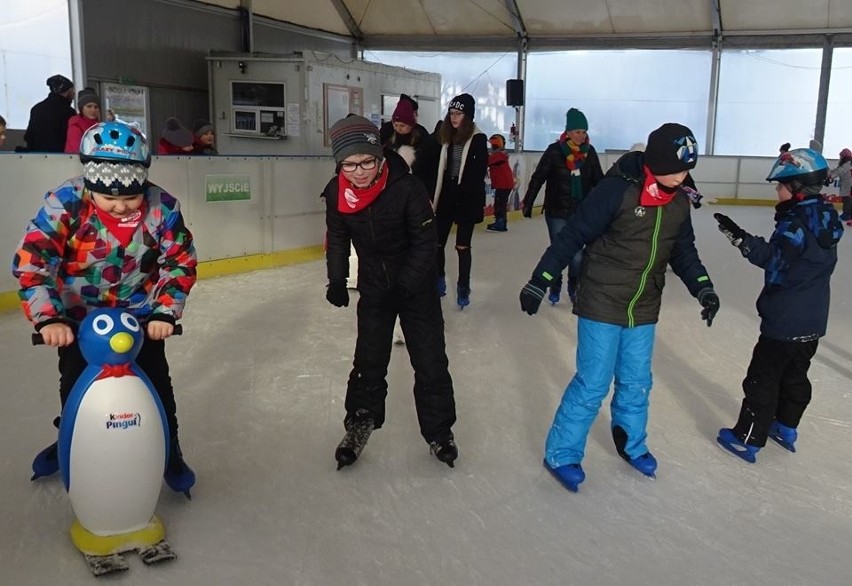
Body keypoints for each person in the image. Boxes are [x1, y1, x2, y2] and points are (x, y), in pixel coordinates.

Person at [519, 123, 719, 492]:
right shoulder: (617, 191)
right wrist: (541, 277)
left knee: (637, 381)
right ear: (656, 161)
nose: (683, 175)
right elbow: (574, 233)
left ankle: (631, 441)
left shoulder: (677, 200)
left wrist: (703, 288)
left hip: (644, 304)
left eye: (688, 168)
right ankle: (562, 453)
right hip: (602, 301)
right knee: (593, 383)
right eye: (677, 167)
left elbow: (684, 251)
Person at [12, 121, 198, 496]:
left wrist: (164, 312)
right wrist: (49, 317)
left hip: (139, 316)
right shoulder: (65, 203)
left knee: (157, 382)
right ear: (90, 185)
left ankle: (168, 445)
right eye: (109, 199)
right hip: (78, 319)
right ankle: (73, 438)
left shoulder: (162, 208)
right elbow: (33, 260)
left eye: (130, 198)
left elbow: (179, 262)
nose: (121, 206)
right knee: (76, 384)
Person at [323, 114, 458, 469]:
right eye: (349, 164)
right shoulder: (337, 192)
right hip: (375, 289)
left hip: (417, 287)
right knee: (368, 361)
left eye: (367, 161)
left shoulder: (407, 187)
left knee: (429, 362)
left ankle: (439, 431)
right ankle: (359, 425)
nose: (360, 171)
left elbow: (426, 243)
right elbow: (337, 239)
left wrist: (407, 285)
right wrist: (337, 279)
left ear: (379, 157)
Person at [714, 148, 843, 464]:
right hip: (812, 320)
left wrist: (740, 238)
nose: (776, 191)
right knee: (795, 376)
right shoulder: (826, 217)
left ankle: (748, 439)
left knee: (763, 378)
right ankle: (786, 427)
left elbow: (775, 258)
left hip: (784, 319)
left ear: (796, 186)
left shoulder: (795, 223)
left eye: (780, 185)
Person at [521, 108, 605, 305]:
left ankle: (573, 284)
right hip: (556, 211)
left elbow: (599, 182)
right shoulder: (554, 151)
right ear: (567, 132)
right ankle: (555, 283)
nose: (581, 136)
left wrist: (606, 207)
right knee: (559, 250)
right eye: (577, 131)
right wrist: (529, 202)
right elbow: (538, 177)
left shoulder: (590, 153)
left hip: (580, 212)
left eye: (584, 132)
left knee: (577, 256)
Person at [433, 93, 488, 308]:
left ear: (469, 116)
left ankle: (463, 287)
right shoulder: (445, 137)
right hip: (446, 196)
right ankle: (438, 280)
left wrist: (467, 200)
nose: (454, 118)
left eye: (459, 113)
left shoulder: (478, 139)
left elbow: (477, 172)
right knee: (436, 242)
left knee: (462, 246)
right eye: (452, 113)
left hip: (467, 198)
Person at [382, 97, 439, 197]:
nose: (398, 128)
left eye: (402, 125)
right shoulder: (388, 134)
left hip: (415, 187)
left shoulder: (422, 138)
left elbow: (429, 169)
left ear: (411, 124)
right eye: (396, 125)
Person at [24, 74, 76, 152]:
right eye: (72, 90)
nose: (74, 94)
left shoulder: (36, 109)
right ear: (68, 91)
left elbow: (29, 136)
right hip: (62, 158)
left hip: (37, 157)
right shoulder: (69, 112)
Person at [486, 134, 515, 232]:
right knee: (501, 203)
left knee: (499, 203)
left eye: (492, 145)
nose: (491, 147)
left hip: (503, 184)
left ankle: (500, 223)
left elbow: (487, 161)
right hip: (505, 183)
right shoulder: (501, 154)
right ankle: (501, 222)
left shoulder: (498, 156)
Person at [64, 87, 101, 153]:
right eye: (89, 106)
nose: (93, 110)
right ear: (81, 108)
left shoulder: (99, 126)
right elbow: (76, 150)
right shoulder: (76, 125)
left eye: (96, 107)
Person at [828, 148, 852, 224]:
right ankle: (847, 214)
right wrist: (828, 173)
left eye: (841, 156)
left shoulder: (847, 164)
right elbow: (837, 170)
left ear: (845, 157)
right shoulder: (846, 164)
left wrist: (830, 176)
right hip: (847, 185)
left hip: (849, 186)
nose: (840, 158)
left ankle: (847, 214)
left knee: (847, 200)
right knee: (846, 199)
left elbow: (839, 171)